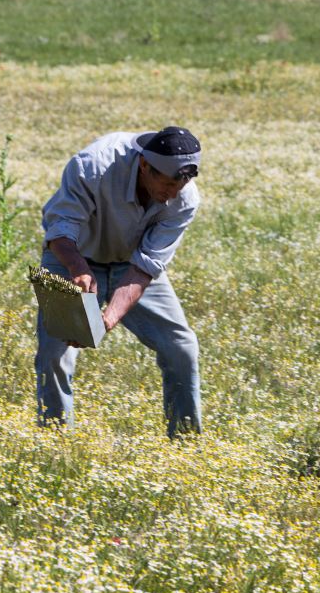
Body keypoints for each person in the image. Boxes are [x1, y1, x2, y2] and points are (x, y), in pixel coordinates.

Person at [36, 127, 202, 438]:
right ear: (144, 166)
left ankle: (185, 445)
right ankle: (53, 442)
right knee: (54, 353)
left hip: (131, 264)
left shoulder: (184, 198)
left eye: (180, 184)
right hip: (70, 255)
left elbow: (147, 265)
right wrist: (77, 267)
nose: (172, 192)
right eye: (165, 183)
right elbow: (60, 227)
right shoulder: (93, 166)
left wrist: (108, 317)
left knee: (182, 347)